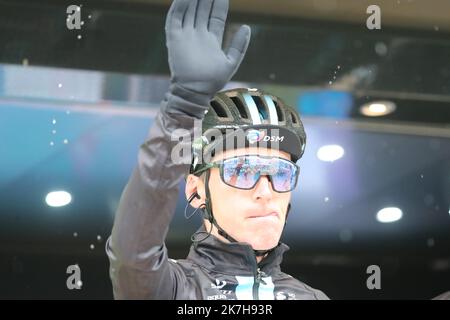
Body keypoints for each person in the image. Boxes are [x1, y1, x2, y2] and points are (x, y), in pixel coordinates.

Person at [106, 0, 328, 300]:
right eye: (242, 170)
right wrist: (183, 105)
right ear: (196, 190)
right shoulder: (173, 289)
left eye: (280, 173)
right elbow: (132, 255)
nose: (266, 191)